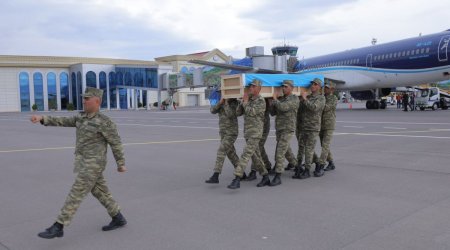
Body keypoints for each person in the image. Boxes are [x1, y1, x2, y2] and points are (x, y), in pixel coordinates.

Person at [30, 87, 127, 239]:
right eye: (84, 98)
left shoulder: (104, 122)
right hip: (83, 161)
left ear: (97, 101)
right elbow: (61, 120)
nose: (84, 101)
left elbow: (116, 143)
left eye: (87, 98)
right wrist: (42, 118)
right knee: (99, 191)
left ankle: (58, 226)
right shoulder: (81, 118)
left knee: (76, 192)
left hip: (94, 164)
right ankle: (118, 217)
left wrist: (120, 163)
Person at [227, 79, 270, 189]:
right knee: (256, 157)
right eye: (250, 86)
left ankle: (237, 178)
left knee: (245, 154)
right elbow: (238, 113)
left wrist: (245, 102)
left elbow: (252, 112)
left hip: (256, 133)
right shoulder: (248, 100)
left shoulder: (261, 101)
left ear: (258, 89)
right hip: (248, 132)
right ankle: (265, 176)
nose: (251, 88)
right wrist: (241, 102)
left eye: (253, 86)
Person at [293, 78, 326, 179]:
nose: (313, 86)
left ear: (319, 87)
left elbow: (314, 108)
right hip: (304, 126)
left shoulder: (321, 98)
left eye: (315, 84)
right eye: (312, 84)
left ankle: (307, 170)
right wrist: (300, 100)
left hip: (313, 127)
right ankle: (299, 167)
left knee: (309, 149)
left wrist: (305, 99)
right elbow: (301, 109)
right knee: (301, 147)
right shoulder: (308, 97)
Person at [269, 80, 299, 186]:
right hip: (279, 129)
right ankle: (298, 167)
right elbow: (273, 113)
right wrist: (271, 104)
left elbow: (284, 107)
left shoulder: (294, 99)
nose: (283, 88)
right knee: (286, 151)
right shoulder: (281, 99)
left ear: (292, 88)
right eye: (282, 86)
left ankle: (278, 176)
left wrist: (275, 100)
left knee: (280, 152)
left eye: (286, 86)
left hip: (288, 128)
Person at [205, 97, 240, 183]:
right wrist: (220, 103)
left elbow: (231, 114)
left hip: (231, 132)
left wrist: (227, 103)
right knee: (231, 153)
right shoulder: (221, 102)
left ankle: (216, 175)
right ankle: (241, 171)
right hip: (223, 133)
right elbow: (212, 110)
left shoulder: (235, 103)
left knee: (221, 150)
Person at [312, 82, 338, 172]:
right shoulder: (322, 97)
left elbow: (326, 108)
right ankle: (331, 162)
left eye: (328, 88)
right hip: (321, 124)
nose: (325, 89)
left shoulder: (333, 98)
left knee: (325, 146)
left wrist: (318, 104)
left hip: (329, 125)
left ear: (332, 90)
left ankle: (321, 164)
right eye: (325, 87)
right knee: (324, 145)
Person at [247, 98, 272, 181]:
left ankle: (253, 171)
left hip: (264, 126)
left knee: (257, 147)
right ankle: (267, 165)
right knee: (259, 147)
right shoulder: (254, 99)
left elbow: (272, 112)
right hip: (255, 127)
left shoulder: (262, 100)